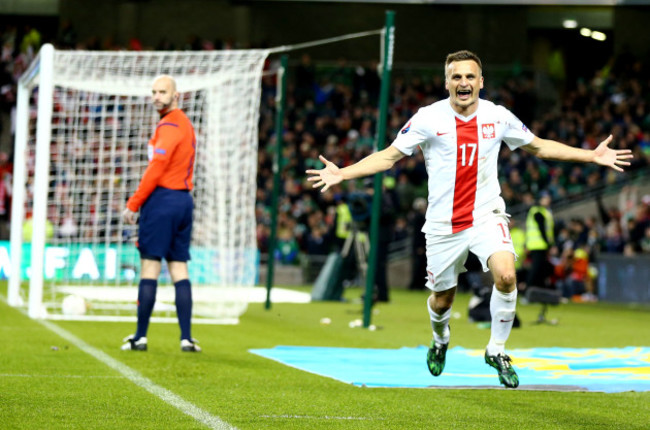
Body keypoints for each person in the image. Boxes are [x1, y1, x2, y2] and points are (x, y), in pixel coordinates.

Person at [306, 50, 632, 388]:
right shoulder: (427, 118)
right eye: (457, 76)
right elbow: (389, 157)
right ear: (447, 82)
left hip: (485, 215)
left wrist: (591, 155)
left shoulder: (498, 116)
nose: (464, 82)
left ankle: (497, 349)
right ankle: (440, 339)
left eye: (470, 76)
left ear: (481, 81)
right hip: (443, 226)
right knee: (443, 298)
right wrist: (343, 174)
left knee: (506, 275)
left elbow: (538, 147)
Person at [121, 75, 201, 352]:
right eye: (154, 91)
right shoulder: (186, 125)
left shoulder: (169, 126)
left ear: (175, 95)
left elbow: (156, 167)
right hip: (183, 201)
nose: (156, 96)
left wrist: (134, 203)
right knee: (179, 268)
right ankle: (186, 338)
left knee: (150, 266)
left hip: (163, 201)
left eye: (162, 92)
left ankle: (140, 336)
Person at [525, 191, 554, 289]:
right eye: (546, 198)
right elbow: (542, 229)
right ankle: (528, 290)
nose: (548, 200)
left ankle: (537, 290)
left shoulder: (542, 210)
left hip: (540, 245)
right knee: (536, 269)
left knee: (541, 269)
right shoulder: (537, 211)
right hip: (538, 245)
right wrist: (549, 244)